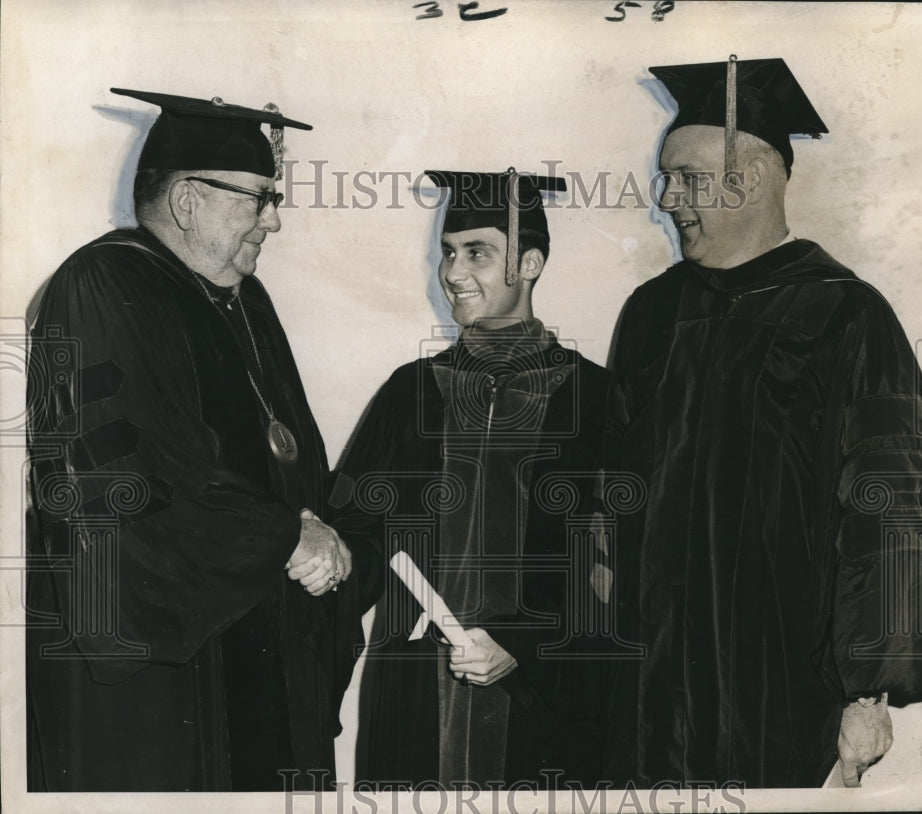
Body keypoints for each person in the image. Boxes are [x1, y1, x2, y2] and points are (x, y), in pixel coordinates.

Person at [606, 57, 922, 788]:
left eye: (684, 178)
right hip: (650, 678)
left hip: (781, 675)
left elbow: (893, 505)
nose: (665, 198)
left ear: (746, 180)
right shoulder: (651, 314)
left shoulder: (844, 312)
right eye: (666, 177)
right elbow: (609, 485)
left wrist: (867, 690)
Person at [25, 88, 361, 791]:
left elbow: (291, 455)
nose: (274, 221)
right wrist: (286, 537)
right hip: (163, 663)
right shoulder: (103, 282)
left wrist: (309, 526)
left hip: (253, 624)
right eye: (258, 199)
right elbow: (126, 473)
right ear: (186, 201)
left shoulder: (243, 299)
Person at [330, 169, 630, 789]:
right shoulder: (409, 393)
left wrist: (523, 641)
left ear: (531, 261)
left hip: (542, 697)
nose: (453, 272)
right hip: (415, 691)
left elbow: (616, 555)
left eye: (478, 253)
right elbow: (354, 535)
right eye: (447, 252)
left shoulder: (596, 398)